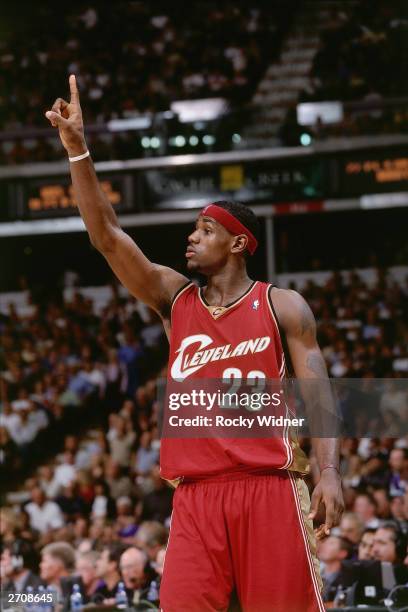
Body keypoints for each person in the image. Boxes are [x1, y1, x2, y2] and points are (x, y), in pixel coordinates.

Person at [46, 75, 344, 612]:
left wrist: (328, 471)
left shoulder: (284, 306)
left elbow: (319, 393)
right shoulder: (174, 300)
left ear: (238, 242)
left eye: (204, 229)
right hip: (195, 496)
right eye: (193, 229)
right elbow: (107, 236)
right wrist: (78, 152)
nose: (191, 237)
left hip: (269, 487)